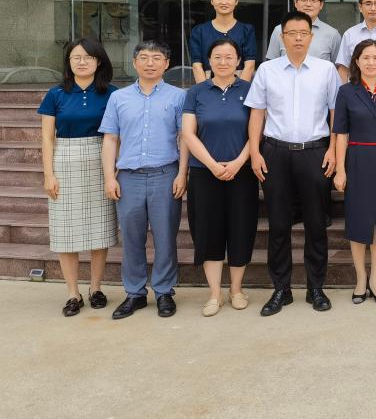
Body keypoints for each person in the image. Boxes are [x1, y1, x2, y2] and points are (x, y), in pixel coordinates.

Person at [246, 11, 341, 316]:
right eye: (292, 33)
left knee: (316, 224)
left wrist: (333, 150)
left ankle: (316, 287)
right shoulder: (267, 70)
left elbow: (335, 114)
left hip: (315, 152)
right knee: (278, 224)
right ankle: (281, 289)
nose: (298, 38)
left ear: (311, 37)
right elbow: (257, 114)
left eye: (303, 33)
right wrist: (255, 152)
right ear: (281, 37)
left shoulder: (326, 70)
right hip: (275, 153)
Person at [100, 40, 187, 320]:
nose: (150, 63)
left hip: (165, 175)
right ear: (135, 63)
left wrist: (182, 173)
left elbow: (185, 138)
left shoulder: (179, 96)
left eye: (157, 58)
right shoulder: (119, 98)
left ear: (167, 64)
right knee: (132, 239)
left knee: (165, 238)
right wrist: (109, 177)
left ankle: (164, 292)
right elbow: (110, 138)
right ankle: (135, 293)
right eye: (145, 57)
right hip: (128, 178)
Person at [38, 38, 118, 317]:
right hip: (65, 160)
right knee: (65, 231)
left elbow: (117, 134)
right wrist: (49, 174)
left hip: (101, 159)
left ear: (99, 61)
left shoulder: (112, 93)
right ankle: (73, 293)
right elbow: (47, 138)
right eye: (76, 58)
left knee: (100, 229)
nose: (82, 62)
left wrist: (114, 171)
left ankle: (96, 288)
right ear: (68, 62)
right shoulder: (56, 94)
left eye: (88, 57)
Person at [181, 38, 258, 317]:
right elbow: (188, 133)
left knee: (241, 229)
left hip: (242, 173)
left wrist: (238, 162)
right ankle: (214, 294)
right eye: (217, 57)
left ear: (238, 61)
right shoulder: (196, 92)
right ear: (209, 61)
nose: (223, 62)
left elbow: (257, 132)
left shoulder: (249, 89)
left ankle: (236, 290)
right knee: (208, 231)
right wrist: (213, 165)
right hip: (204, 174)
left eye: (229, 57)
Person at [333, 40, 376, 306]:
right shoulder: (346, 92)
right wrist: (340, 169)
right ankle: (360, 279)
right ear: (357, 61)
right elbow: (341, 133)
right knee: (358, 218)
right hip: (357, 160)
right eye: (366, 57)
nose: (371, 62)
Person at [188, 0, 257, 84]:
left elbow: (250, 64)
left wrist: (240, 89)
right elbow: (196, 65)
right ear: (212, 1)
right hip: (208, 84)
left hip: (239, 84)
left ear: (236, 1)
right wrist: (204, 90)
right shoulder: (199, 31)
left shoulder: (247, 30)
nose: (224, 2)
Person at [266, 0, 342, 63]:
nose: (308, 4)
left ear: (321, 5)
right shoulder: (279, 30)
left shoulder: (332, 34)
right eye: (304, 0)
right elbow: (271, 64)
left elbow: (338, 67)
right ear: (296, 3)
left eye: (313, 0)